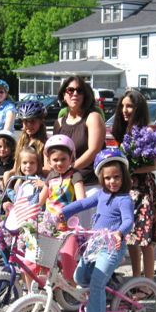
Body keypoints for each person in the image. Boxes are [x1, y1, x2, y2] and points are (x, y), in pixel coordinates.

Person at [61, 149, 134, 312]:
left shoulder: (124, 199)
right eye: (108, 177)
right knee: (79, 276)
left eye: (117, 177)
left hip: (112, 245)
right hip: (95, 244)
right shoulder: (101, 195)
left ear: (124, 177)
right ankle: (100, 300)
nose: (112, 181)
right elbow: (83, 203)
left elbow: (128, 220)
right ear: (101, 178)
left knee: (95, 284)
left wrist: (120, 232)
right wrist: (63, 212)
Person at [111, 89, 156, 279]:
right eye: (122, 106)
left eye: (129, 106)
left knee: (145, 240)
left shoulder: (147, 132)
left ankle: (148, 283)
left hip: (142, 191)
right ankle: (135, 278)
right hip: (127, 191)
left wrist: (130, 169)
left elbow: (153, 164)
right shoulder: (123, 132)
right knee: (131, 238)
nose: (125, 110)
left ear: (138, 108)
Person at [52, 76, 105, 225]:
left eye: (79, 90)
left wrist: (69, 169)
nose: (74, 94)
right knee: (65, 236)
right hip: (65, 188)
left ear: (85, 95)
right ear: (64, 94)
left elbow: (93, 150)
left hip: (89, 186)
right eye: (70, 90)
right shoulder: (59, 122)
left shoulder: (93, 117)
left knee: (86, 234)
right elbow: (52, 152)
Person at [39, 135, 85, 222]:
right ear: (49, 161)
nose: (59, 163)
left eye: (63, 159)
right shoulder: (51, 176)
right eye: (55, 160)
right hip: (49, 218)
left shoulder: (74, 175)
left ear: (71, 158)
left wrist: (67, 211)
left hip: (68, 218)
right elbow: (41, 199)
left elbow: (81, 200)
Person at [12, 100, 48, 178]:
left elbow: (47, 169)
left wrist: (33, 170)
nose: (29, 125)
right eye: (25, 122)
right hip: (22, 180)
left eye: (33, 121)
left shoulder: (45, 143)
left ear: (41, 121)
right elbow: (16, 167)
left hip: (38, 181)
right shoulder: (21, 142)